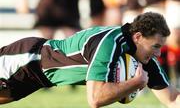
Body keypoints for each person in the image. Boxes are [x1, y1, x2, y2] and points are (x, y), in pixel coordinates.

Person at [0, 12, 180, 108]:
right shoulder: (109, 43)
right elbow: (95, 99)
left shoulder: (143, 56)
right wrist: (135, 83)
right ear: (138, 37)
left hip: (38, 79)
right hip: (26, 59)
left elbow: (172, 99)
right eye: (155, 46)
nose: (158, 54)